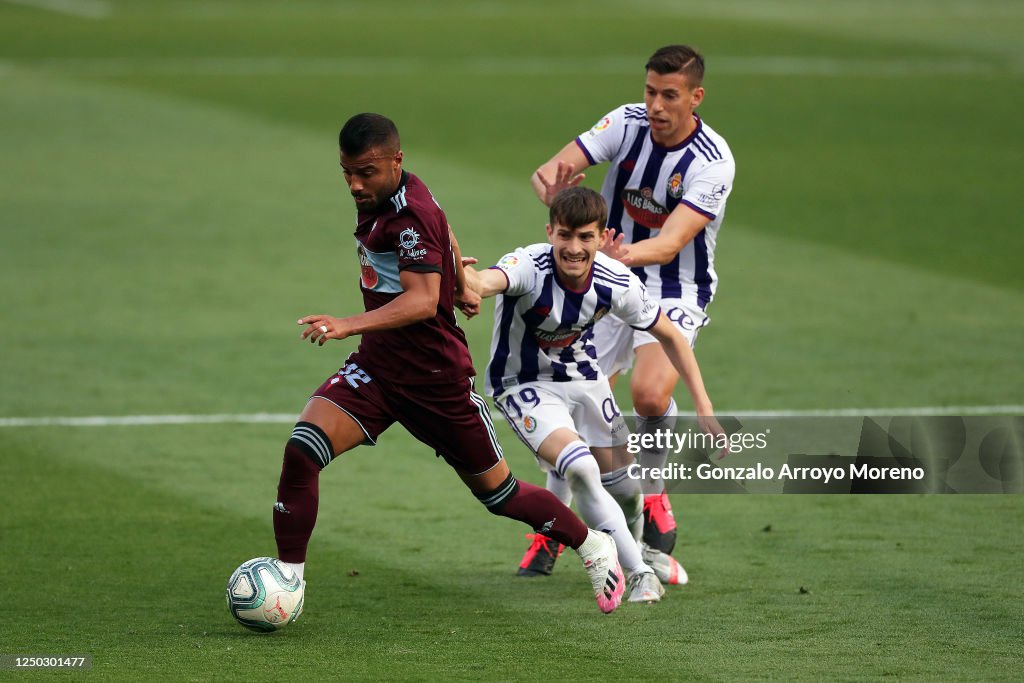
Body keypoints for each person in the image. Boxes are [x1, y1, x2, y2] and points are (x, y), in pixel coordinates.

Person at [272, 113, 626, 615]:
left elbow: (419, 301)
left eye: (365, 172)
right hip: (377, 370)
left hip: (435, 381)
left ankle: (592, 544)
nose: (354, 184)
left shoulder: (408, 215)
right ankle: (287, 581)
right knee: (303, 450)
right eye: (346, 172)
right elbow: (446, 223)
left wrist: (349, 323)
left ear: (396, 161)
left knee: (500, 495)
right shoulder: (406, 192)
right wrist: (462, 277)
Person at [464, 186, 725, 604]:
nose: (573, 247)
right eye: (565, 235)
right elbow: (488, 280)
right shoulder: (529, 265)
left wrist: (705, 406)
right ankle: (636, 572)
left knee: (626, 491)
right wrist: (466, 278)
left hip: (586, 381)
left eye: (585, 237)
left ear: (603, 238)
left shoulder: (615, 280)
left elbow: (671, 336)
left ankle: (632, 550)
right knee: (581, 468)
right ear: (550, 232)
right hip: (525, 387)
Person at [529, 45, 736, 562]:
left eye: (670, 95)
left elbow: (670, 243)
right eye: (650, 91)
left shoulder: (713, 161)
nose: (656, 105)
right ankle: (553, 531)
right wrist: (552, 187)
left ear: (696, 97)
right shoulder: (626, 123)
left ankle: (654, 488)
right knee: (573, 406)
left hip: (674, 286)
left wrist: (617, 252)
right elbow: (551, 170)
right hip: (603, 277)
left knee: (647, 395)